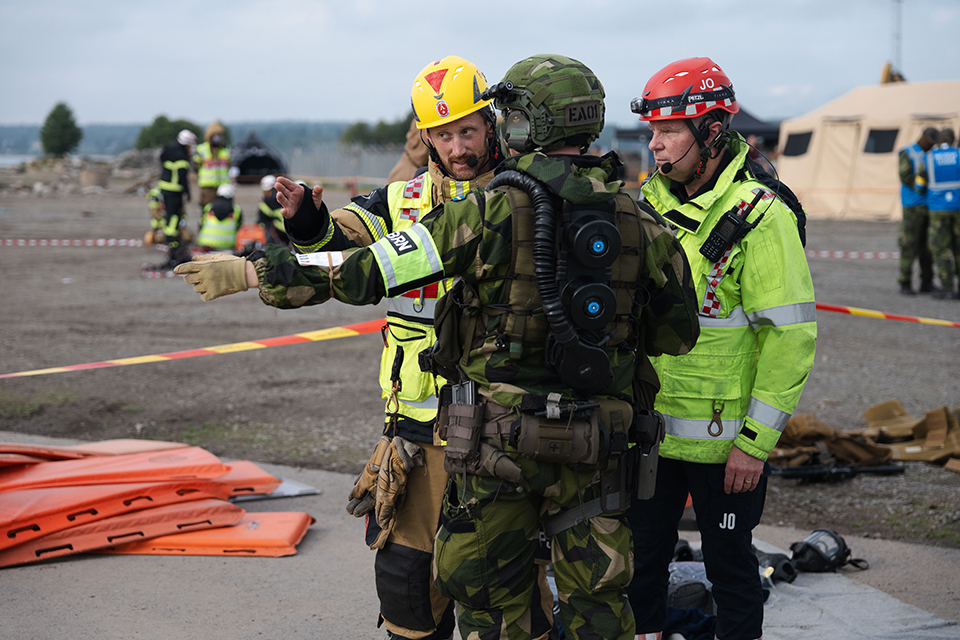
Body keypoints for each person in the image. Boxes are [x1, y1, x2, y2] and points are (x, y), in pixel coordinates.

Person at [176, 53, 700, 640]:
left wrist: (256, 273)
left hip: (498, 443)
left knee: (489, 601)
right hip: (592, 445)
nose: (460, 143)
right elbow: (678, 335)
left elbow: (362, 272)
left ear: (519, 125)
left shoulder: (484, 212)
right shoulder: (643, 219)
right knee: (596, 607)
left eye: (484, 123)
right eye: (443, 134)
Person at [625, 57, 817, 640]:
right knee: (638, 571)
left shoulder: (761, 217)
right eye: (651, 132)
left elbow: (790, 336)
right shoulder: (643, 206)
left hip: (728, 452)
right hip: (651, 440)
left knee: (731, 571)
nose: (655, 145)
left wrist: (755, 448)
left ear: (711, 131)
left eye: (669, 132)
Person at [897, 127, 938, 295]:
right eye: (931, 142)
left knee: (927, 247)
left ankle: (926, 281)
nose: (932, 146)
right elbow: (905, 176)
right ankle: (905, 282)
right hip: (912, 206)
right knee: (909, 245)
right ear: (925, 138)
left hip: (928, 206)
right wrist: (923, 186)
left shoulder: (932, 154)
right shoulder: (907, 152)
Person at [925, 128, 960, 300]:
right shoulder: (958, 155)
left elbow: (919, 182)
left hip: (938, 209)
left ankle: (947, 288)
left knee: (941, 249)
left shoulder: (930, 157)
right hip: (958, 207)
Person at [156, 129, 196, 267]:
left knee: (169, 216)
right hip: (174, 190)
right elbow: (182, 177)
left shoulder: (169, 149)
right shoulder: (181, 155)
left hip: (165, 187)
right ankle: (172, 242)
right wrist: (187, 192)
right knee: (174, 217)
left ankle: (170, 239)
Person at [194, 123, 232, 213]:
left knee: (224, 210)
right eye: (215, 135)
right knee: (207, 209)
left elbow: (229, 165)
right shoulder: (202, 149)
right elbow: (196, 166)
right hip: (208, 186)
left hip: (223, 186)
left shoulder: (226, 149)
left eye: (219, 135)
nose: (217, 138)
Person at [196, 183, 243, 252]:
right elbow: (239, 227)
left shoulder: (208, 208)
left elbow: (201, 224)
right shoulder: (236, 210)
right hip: (228, 245)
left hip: (207, 244)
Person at [256, 174, 289, 245]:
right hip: (291, 229)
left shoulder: (267, 202)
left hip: (281, 230)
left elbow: (262, 218)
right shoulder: (284, 195)